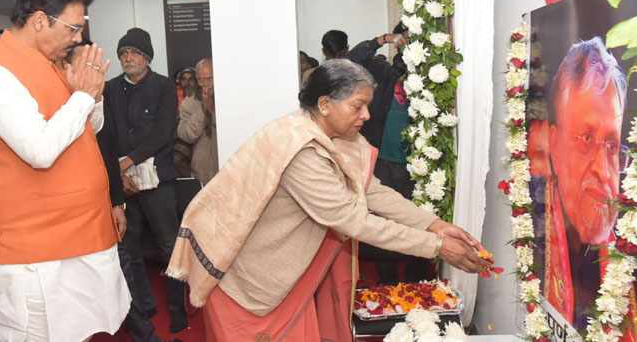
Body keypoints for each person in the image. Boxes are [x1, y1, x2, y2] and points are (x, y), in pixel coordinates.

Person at [168, 59, 489, 341]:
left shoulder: (337, 136)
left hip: (287, 274)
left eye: (367, 105)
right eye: (357, 106)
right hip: (251, 281)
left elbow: (371, 190)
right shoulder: (300, 149)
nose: (366, 115)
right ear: (324, 104)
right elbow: (354, 221)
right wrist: (436, 246)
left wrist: (434, 225)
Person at [0, 0, 130, 341]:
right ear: (40, 20)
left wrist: (91, 96)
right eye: (73, 28)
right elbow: (39, 150)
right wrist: (82, 97)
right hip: (33, 250)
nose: (78, 38)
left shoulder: (50, 64)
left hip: (77, 235)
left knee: (82, 331)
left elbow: (88, 129)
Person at [533, 37, 633, 331]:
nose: (603, 171)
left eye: (612, 146)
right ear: (555, 146)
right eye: (587, 139)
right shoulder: (533, 227)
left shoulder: (628, 254)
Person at [103, 27, 187, 333]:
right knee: (129, 247)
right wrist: (118, 174)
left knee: (168, 245)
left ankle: (177, 307)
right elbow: (106, 134)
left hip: (157, 181)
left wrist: (129, 161)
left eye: (135, 53)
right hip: (123, 183)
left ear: (148, 58)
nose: (128, 58)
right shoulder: (109, 89)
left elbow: (163, 133)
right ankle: (142, 306)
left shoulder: (164, 87)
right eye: (123, 53)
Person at [347, 24, 434, 284]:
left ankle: (415, 282)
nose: (410, 44)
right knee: (384, 221)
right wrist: (383, 39)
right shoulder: (383, 74)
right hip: (382, 162)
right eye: (406, 38)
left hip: (415, 166)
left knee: (417, 219)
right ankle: (387, 282)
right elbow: (351, 61)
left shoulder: (432, 78)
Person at [177, 58, 219, 186]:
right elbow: (187, 135)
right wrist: (203, 109)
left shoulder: (231, 98)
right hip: (203, 171)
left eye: (210, 79)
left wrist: (212, 110)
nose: (205, 84)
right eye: (201, 79)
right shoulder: (189, 103)